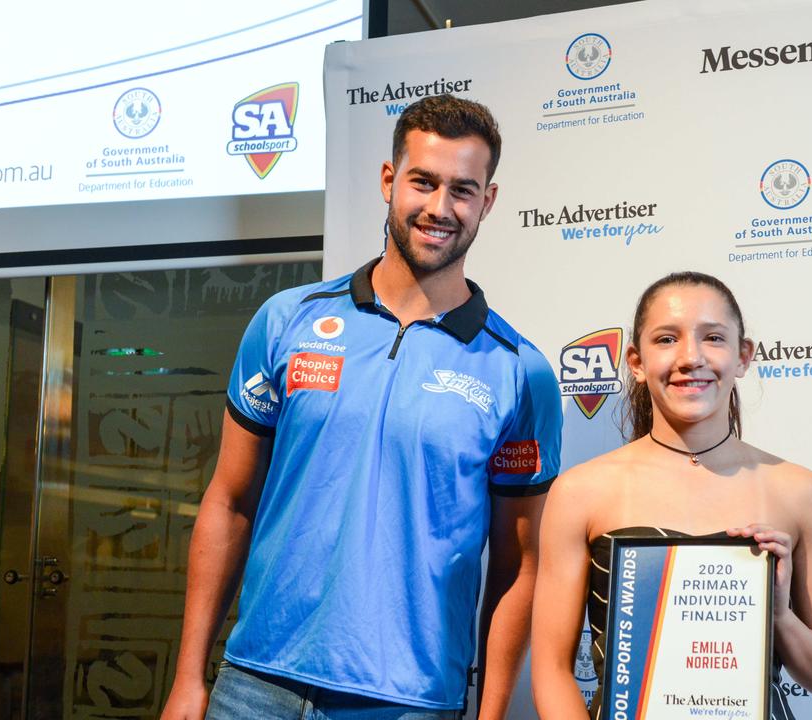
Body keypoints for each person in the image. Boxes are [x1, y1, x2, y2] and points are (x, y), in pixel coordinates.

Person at [161, 95, 562, 720]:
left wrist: (492, 713)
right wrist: (189, 677)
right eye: (423, 182)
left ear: (487, 201)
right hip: (254, 686)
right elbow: (229, 501)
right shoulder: (287, 321)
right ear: (388, 180)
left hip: (410, 702)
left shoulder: (518, 370)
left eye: (462, 189)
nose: (439, 207)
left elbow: (519, 566)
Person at [529, 271, 812, 719]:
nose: (690, 358)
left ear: (743, 357)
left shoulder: (800, 491)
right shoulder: (581, 492)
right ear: (637, 363)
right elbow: (551, 670)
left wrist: (778, 615)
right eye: (666, 339)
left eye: (713, 337)